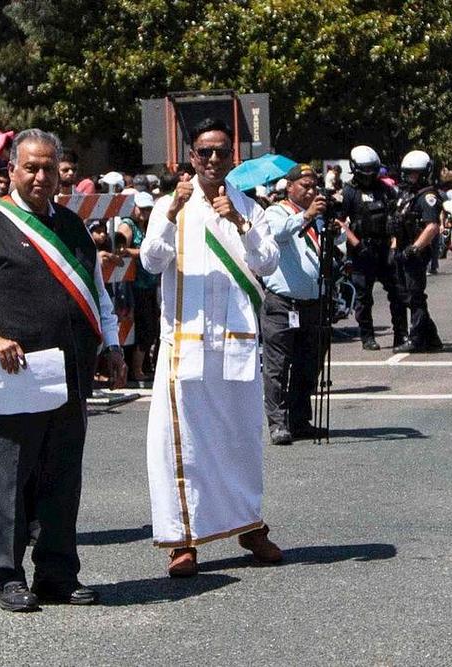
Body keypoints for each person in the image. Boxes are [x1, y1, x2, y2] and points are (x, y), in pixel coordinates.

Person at [0, 128, 126, 612]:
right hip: (11, 373)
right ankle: (6, 574)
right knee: (7, 474)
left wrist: (115, 345)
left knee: (62, 474)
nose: (41, 177)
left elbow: (98, 295)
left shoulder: (73, 225)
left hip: (68, 372)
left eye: (48, 167)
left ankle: (57, 574)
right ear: (12, 171)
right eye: (30, 168)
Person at [140, 118, 282, 577]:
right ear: (191, 156)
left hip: (235, 341)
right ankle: (183, 538)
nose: (214, 160)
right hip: (184, 341)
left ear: (232, 156)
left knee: (240, 437)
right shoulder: (171, 203)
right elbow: (150, 261)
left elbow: (267, 262)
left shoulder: (247, 207)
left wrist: (239, 222)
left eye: (222, 152)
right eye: (205, 152)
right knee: (182, 442)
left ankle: (248, 522)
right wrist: (171, 211)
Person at [261, 164, 338, 445]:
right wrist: (306, 215)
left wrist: (334, 227)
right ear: (289, 186)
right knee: (278, 366)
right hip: (283, 304)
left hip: (312, 302)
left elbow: (332, 244)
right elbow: (279, 234)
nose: (311, 190)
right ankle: (278, 423)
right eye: (305, 185)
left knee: (309, 364)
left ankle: (300, 419)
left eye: (314, 186)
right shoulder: (276, 211)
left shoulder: (316, 215)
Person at [340, 145, 407, 350]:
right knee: (363, 297)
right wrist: (357, 244)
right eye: (365, 171)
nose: (369, 175)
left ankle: (401, 335)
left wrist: (395, 246)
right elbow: (339, 221)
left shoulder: (386, 190)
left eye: (372, 170)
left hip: (385, 248)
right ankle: (367, 336)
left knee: (398, 293)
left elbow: (397, 218)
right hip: (362, 250)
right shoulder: (349, 191)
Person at [390, 151, 444, 354]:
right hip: (402, 249)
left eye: (415, 173)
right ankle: (432, 338)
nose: (411, 177)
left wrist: (414, 249)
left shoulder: (427, 196)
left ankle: (417, 339)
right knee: (406, 295)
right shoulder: (406, 195)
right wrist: (395, 248)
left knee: (415, 297)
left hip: (416, 252)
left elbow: (432, 227)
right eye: (408, 173)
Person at [118, 191, 159, 380]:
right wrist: (143, 252)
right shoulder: (128, 226)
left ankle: (141, 368)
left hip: (150, 284)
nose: (145, 212)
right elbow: (120, 248)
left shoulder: (149, 226)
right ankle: (136, 371)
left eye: (148, 209)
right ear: (134, 208)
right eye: (142, 209)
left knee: (151, 328)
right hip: (134, 286)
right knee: (144, 328)